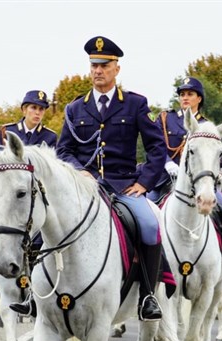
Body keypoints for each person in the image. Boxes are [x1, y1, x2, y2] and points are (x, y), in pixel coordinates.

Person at [56, 36, 166, 321]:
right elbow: (64, 149)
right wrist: (78, 170)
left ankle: (148, 297)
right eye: (93, 65)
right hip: (84, 187)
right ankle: (35, 292)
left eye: (104, 65)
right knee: (44, 222)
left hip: (123, 185)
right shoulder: (74, 108)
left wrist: (145, 183)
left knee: (149, 224)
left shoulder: (135, 104)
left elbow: (157, 148)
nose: (98, 71)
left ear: (117, 68)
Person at [0, 89, 57, 294]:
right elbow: (0, 165)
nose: (37, 113)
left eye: (41, 109)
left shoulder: (50, 136)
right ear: (24, 109)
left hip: (36, 199)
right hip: (11, 198)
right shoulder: (6, 131)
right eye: (33, 108)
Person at [147, 77, 208, 204]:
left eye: (190, 94)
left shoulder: (206, 125)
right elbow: (154, 145)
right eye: (182, 94)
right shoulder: (166, 118)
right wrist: (167, 163)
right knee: (147, 214)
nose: (185, 97)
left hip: (197, 183)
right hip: (164, 180)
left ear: (199, 99)